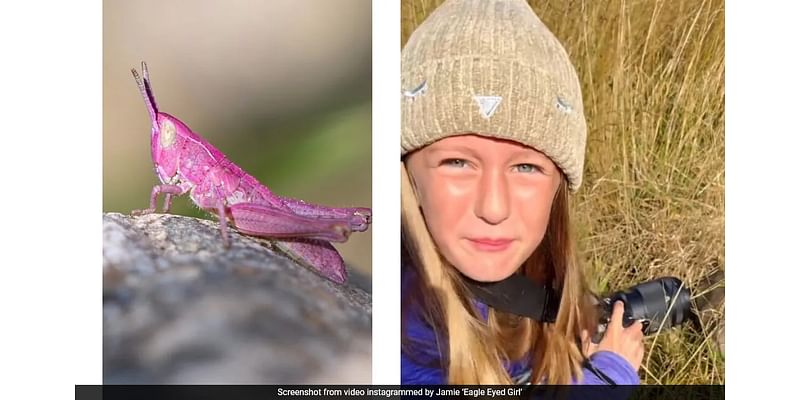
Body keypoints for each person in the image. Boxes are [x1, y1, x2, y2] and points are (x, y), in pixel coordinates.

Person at [400, 0, 644, 385]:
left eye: (526, 167)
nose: (494, 208)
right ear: (408, 176)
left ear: (558, 186)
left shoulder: (528, 292)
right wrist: (610, 375)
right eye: (457, 163)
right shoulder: (408, 342)